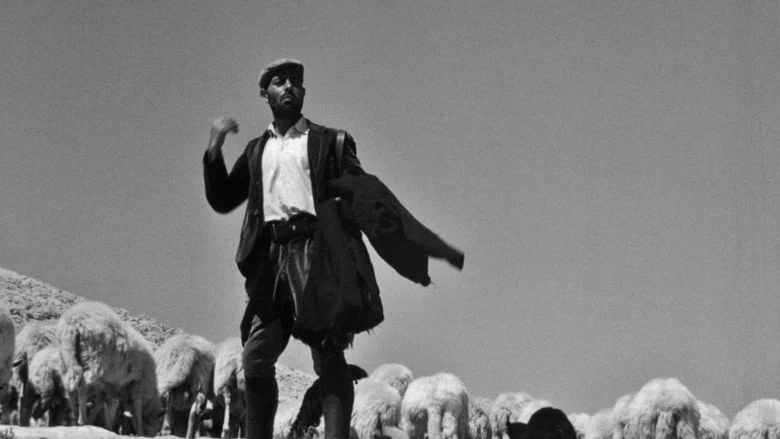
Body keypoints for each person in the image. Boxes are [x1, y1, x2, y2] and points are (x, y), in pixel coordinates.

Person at [203, 58, 464, 439]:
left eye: (295, 81)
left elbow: (362, 191)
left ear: (303, 92)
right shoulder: (257, 150)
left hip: (316, 255)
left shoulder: (330, 141)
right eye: (279, 81)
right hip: (270, 262)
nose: (288, 87)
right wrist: (214, 150)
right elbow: (225, 198)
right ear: (265, 94)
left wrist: (392, 236)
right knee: (256, 357)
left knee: (328, 355)